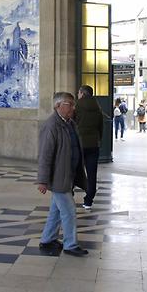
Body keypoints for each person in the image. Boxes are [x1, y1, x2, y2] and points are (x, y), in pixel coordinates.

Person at [37, 92, 88, 257]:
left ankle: (47, 239)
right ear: (57, 105)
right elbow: (45, 155)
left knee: (56, 211)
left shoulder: (70, 123)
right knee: (69, 211)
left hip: (68, 175)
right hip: (59, 177)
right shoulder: (52, 126)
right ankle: (70, 244)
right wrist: (43, 180)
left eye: (73, 104)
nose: (73, 108)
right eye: (69, 104)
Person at [74, 84, 104, 210]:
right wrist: (98, 140)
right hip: (93, 145)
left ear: (82, 93)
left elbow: (72, 123)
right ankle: (89, 200)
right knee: (92, 174)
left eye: (78, 93)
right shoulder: (97, 107)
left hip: (78, 144)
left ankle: (69, 195)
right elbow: (101, 128)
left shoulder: (77, 106)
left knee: (72, 171)